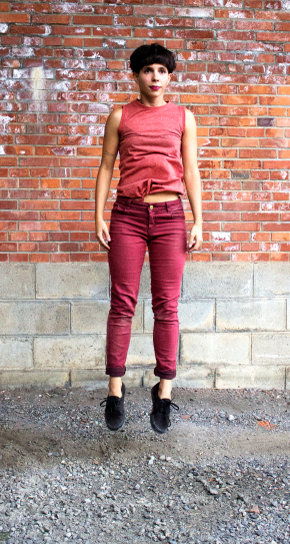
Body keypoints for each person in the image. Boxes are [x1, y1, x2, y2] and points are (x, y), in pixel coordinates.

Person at [95, 43, 202, 434]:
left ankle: (164, 392)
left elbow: (191, 169)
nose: (155, 77)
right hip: (127, 215)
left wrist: (198, 220)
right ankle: (115, 389)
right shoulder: (120, 116)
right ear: (136, 75)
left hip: (171, 217)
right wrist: (98, 215)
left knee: (166, 305)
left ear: (169, 77)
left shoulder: (183, 117)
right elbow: (106, 166)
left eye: (162, 70)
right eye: (148, 70)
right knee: (122, 302)